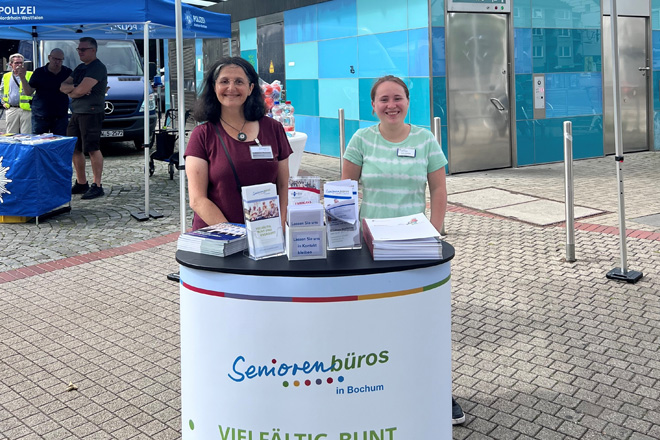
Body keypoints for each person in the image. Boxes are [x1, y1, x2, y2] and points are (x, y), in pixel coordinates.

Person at [341, 75, 465, 426]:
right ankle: (376, 388)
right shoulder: (361, 139)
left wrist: (436, 232)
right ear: (373, 105)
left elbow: (438, 190)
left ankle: (437, 389)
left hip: (414, 246)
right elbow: (345, 191)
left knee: (422, 322)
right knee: (372, 321)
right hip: (369, 246)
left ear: (408, 101)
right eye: (383, 99)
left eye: (397, 98)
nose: (391, 105)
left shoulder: (425, 139)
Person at [185, 57, 291, 231]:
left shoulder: (274, 129)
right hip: (218, 237)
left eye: (239, 82)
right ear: (214, 87)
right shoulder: (202, 135)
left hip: (266, 235)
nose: (231, 88)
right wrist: (238, 235)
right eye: (224, 81)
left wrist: (279, 227)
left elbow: (283, 186)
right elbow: (197, 200)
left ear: (250, 88)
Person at [60, 37, 108, 200]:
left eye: (83, 49)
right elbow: (63, 86)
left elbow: (82, 90)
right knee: (75, 147)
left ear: (93, 50)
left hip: (91, 112)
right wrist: (74, 89)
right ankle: (82, 183)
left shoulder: (97, 67)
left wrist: (74, 91)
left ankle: (97, 185)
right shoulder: (80, 67)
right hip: (77, 111)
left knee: (92, 148)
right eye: (78, 49)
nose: (80, 52)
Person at [20, 48, 72, 135]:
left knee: (59, 144)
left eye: (60, 60)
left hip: (60, 116)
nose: (57, 62)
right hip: (40, 116)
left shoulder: (67, 72)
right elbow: (28, 92)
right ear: (49, 57)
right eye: (54, 59)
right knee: (38, 143)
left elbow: (74, 88)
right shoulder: (39, 72)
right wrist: (22, 78)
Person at [1, 54, 32, 134]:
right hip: (12, 109)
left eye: (21, 63)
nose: (19, 65)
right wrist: (3, 102)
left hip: (26, 110)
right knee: (11, 135)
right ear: (11, 64)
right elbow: (1, 90)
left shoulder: (30, 74)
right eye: (16, 63)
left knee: (26, 135)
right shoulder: (6, 76)